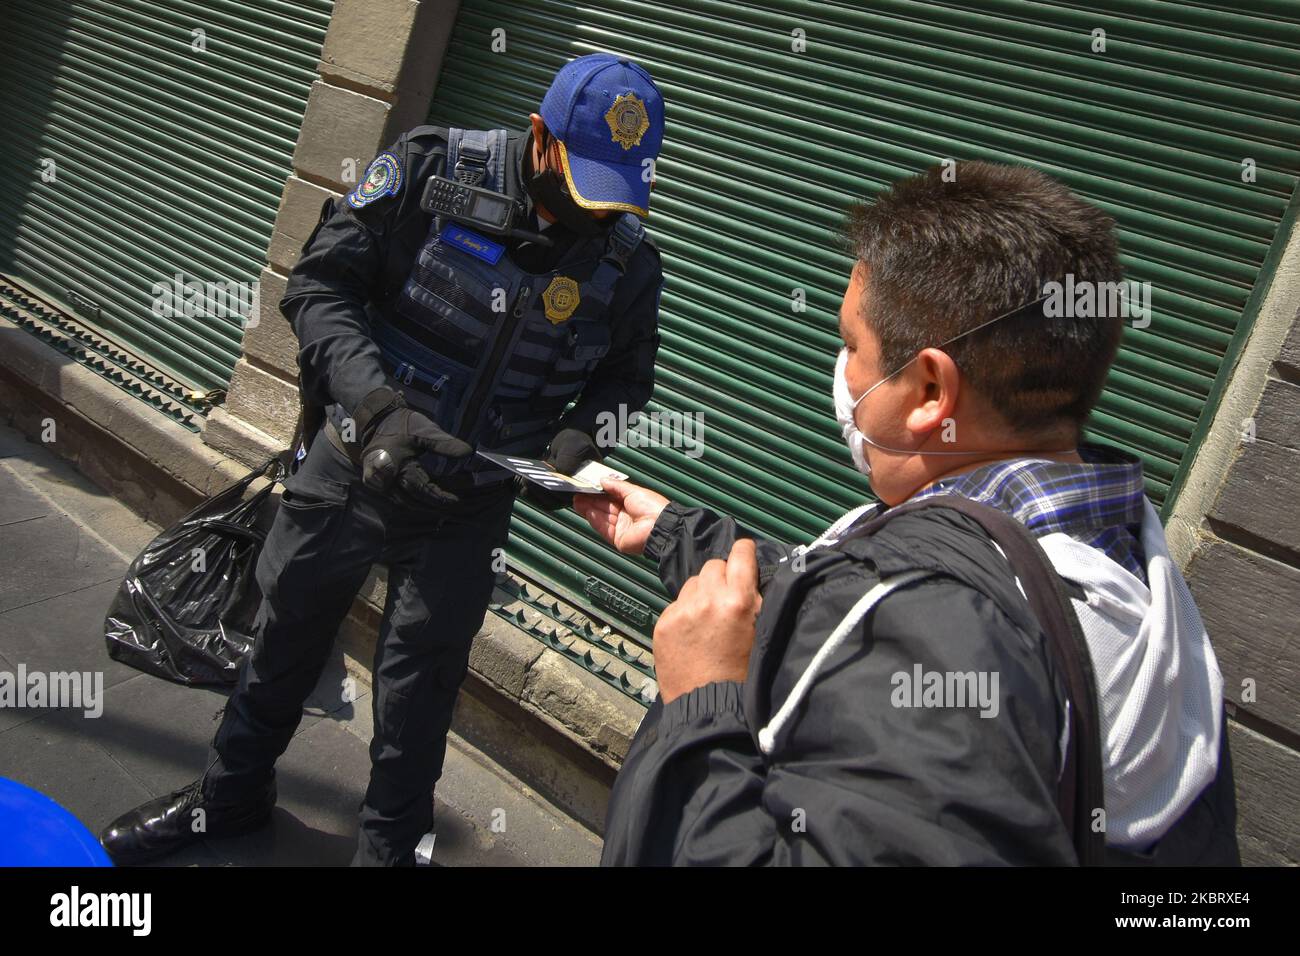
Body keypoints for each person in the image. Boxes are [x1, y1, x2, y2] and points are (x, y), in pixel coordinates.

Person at [576, 161, 1239, 866]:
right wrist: (683, 536)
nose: (842, 371)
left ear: (929, 390)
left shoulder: (940, 625)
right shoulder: (1109, 554)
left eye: (851, 344)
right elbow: (854, 600)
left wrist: (700, 711)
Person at [99, 53, 666, 866]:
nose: (594, 213)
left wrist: (581, 441)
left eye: (615, 196)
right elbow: (319, 290)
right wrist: (379, 409)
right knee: (281, 643)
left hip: (468, 509)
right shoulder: (431, 168)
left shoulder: (627, 260)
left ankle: (388, 856)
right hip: (354, 466)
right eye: (584, 186)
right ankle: (226, 800)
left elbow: (624, 382)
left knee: (419, 700)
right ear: (539, 136)